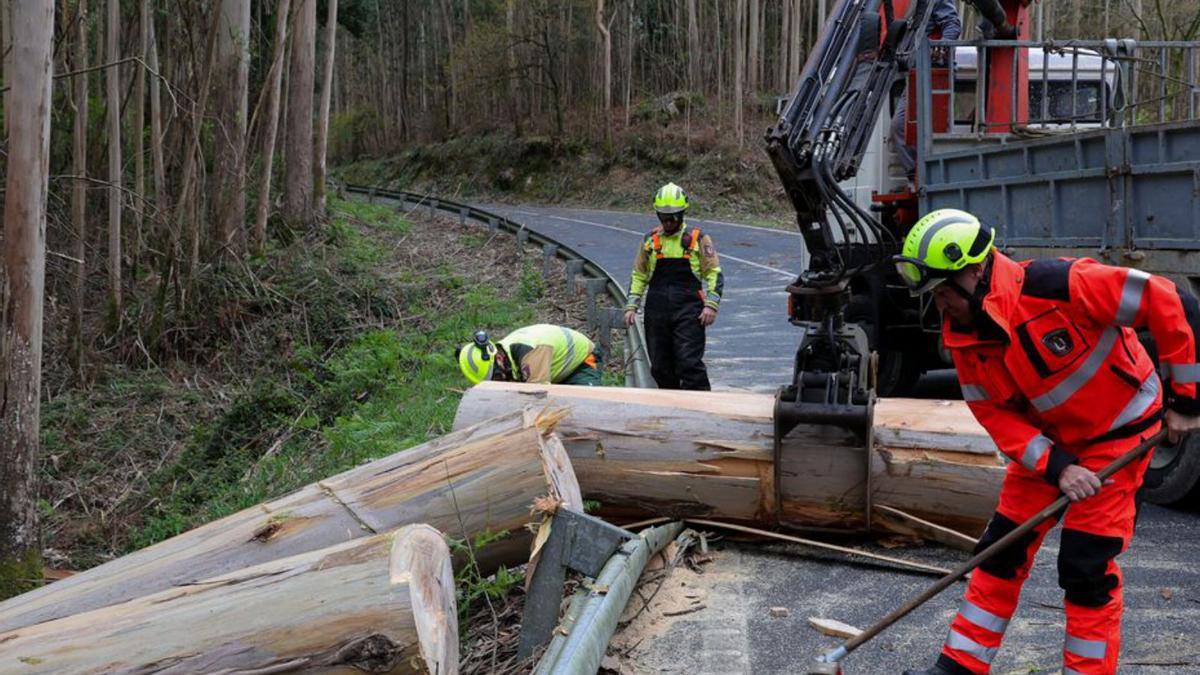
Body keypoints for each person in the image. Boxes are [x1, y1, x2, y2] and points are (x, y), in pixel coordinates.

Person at [894, 208, 1200, 675]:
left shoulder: (1063, 286)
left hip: (1119, 436)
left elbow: (1173, 304)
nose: (940, 307)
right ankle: (959, 666)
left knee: (1085, 567)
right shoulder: (964, 339)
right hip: (1052, 445)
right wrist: (1058, 467)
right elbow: (995, 417)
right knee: (999, 552)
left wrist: (1186, 400)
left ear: (974, 271)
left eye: (941, 291)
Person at [623, 183, 724, 390]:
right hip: (657, 309)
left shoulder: (698, 239)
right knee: (660, 367)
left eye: (673, 218)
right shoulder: (650, 241)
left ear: (682, 214)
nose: (669, 222)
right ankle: (671, 409)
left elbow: (714, 273)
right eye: (664, 217)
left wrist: (711, 305)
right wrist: (632, 305)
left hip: (689, 310)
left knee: (689, 363)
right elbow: (639, 274)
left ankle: (702, 408)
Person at [891, 0, 962, 180]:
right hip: (916, 72)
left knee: (930, 127)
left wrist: (940, 48)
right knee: (901, 127)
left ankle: (926, 174)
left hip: (933, 71)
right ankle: (917, 174)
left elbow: (952, 24)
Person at [457, 324, 602, 386]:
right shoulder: (505, 352)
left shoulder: (530, 353)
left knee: (584, 406)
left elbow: (538, 399)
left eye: (496, 377)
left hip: (583, 360)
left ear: (498, 358)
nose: (498, 383)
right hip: (553, 368)